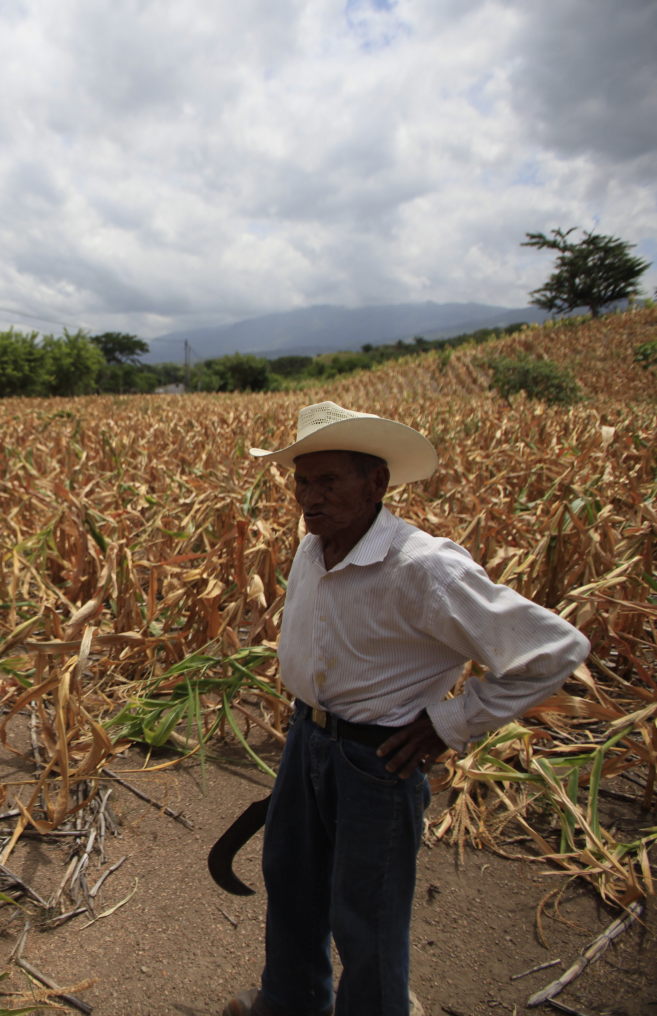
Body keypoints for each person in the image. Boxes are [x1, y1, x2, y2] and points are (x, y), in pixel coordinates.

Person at [225, 401, 591, 1016]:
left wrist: (448, 723)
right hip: (306, 741)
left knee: (367, 914)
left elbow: (555, 650)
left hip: (379, 760)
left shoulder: (422, 567)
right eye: (302, 482)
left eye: (330, 481)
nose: (310, 498)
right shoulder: (313, 550)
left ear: (377, 483)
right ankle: (290, 1003)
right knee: (292, 886)